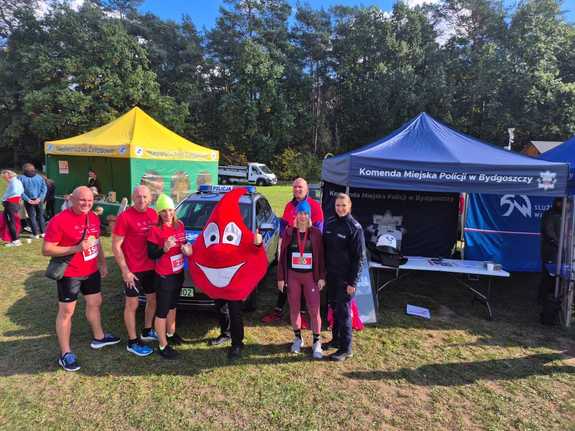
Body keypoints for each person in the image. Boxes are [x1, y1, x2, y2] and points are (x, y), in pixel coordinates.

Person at [42, 186, 120, 372]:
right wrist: (76, 248)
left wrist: (102, 262)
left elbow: (97, 241)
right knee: (67, 312)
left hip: (91, 270)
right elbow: (46, 249)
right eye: (82, 200)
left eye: (90, 200)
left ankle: (99, 337)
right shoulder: (59, 221)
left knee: (95, 302)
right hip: (70, 273)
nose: (86, 203)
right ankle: (66, 353)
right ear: (72, 199)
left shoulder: (93, 217)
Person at [261, 177, 324, 323]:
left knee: (305, 281)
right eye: (295, 187)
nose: (297, 189)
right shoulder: (290, 205)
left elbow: (319, 230)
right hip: (291, 250)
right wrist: (284, 239)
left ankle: (302, 314)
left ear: (307, 189)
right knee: (287, 279)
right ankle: (278, 311)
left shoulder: (314, 206)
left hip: (308, 251)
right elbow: (283, 224)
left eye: (300, 187)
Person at [112, 185, 158, 357]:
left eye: (145, 197)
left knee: (152, 300)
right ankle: (132, 342)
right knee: (132, 305)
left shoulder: (153, 214)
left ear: (150, 198)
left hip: (151, 268)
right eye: (138, 196)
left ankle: (147, 330)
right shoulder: (125, 217)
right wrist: (125, 270)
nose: (142, 200)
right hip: (132, 270)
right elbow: (116, 246)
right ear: (133, 197)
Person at [277, 200, 326, 359]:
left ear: (309, 215)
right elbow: (282, 257)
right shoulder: (289, 232)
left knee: (314, 309)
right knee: (294, 308)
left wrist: (321, 277)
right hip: (293, 276)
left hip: (311, 277)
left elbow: (322, 258)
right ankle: (298, 338)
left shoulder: (316, 233)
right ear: (296, 215)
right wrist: (280, 277)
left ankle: (317, 342)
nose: (303, 216)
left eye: (305, 213)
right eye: (300, 213)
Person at [146, 194, 192, 359]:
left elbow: (184, 243)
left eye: (170, 210)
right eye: (163, 211)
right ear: (158, 212)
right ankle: (162, 344)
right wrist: (163, 249)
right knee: (162, 311)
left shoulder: (180, 225)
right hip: (164, 276)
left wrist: (187, 249)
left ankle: (171, 334)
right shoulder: (155, 229)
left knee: (173, 306)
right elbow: (151, 254)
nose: (167, 214)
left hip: (178, 273)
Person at [322, 193, 365, 361]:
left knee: (344, 313)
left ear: (349, 206)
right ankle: (336, 340)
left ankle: (346, 349)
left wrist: (352, 282)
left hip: (345, 279)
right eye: (338, 205)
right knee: (334, 309)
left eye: (343, 206)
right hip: (331, 275)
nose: (340, 208)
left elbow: (359, 258)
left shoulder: (355, 227)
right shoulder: (331, 222)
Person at [538, 197, 562, 303]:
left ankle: (551, 297)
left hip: (556, 249)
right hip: (551, 250)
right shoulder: (551, 214)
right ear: (558, 203)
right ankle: (544, 298)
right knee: (548, 275)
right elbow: (549, 231)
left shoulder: (562, 214)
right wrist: (559, 244)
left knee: (555, 275)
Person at [18, 163, 47, 239]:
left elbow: (20, 191)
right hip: (38, 200)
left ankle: (36, 234)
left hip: (29, 200)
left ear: (24, 170)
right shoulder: (40, 177)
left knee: (32, 217)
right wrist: (40, 198)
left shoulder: (20, 178)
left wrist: (28, 200)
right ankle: (43, 233)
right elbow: (44, 189)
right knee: (40, 216)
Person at [1, 169, 24, 247]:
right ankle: (14, 239)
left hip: (11, 203)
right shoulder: (18, 181)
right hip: (15, 202)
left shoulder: (13, 182)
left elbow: (14, 191)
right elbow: (21, 191)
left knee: (11, 222)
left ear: (8, 175)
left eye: (4, 177)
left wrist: (4, 198)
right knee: (12, 222)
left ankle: (15, 241)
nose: (4, 179)